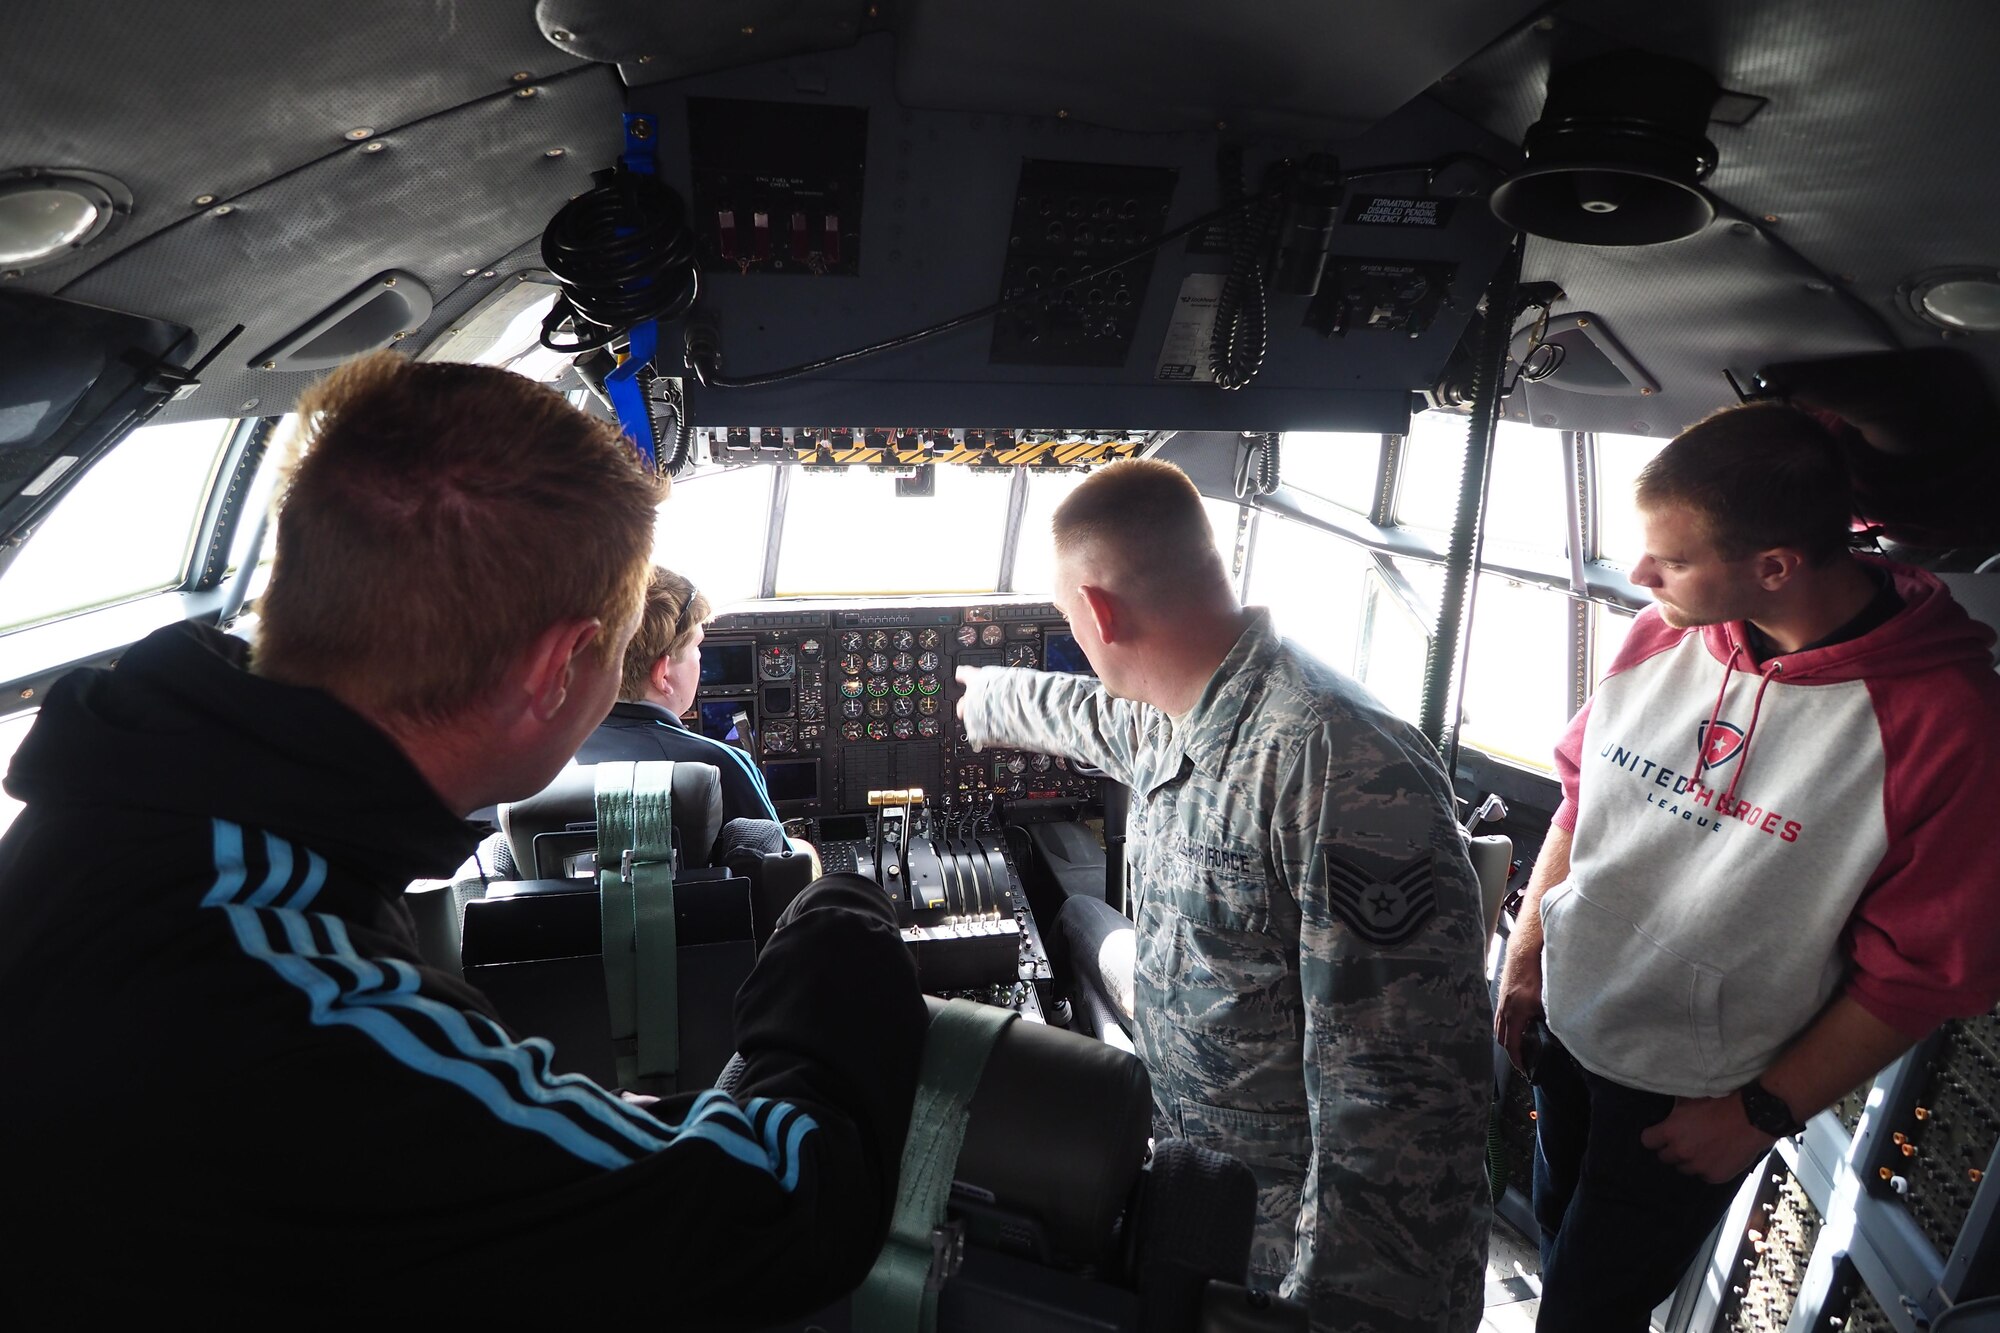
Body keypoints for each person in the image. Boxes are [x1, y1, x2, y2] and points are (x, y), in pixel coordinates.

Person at [0, 353, 927, 1322]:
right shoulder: (289, 997)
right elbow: (768, 1212)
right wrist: (837, 934)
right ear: (561, 664)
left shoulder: (148, 812)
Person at [1493, 401, 2000, 1332]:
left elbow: (1926, 969)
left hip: (1694, 1093)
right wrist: (1527, 960)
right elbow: (1581, 795)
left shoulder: (1945, 720)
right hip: (1568, 1028)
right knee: (1559, 1229)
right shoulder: (1666, 632)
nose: (1642, 578)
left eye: (1672, 561)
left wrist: (1759, 1113)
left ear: (1775, 566)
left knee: (1585, 1312)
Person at [956, 458, 1492, 1333]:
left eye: (1066, 617)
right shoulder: (1191, 705)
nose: (1075, 635)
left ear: (1099, 613)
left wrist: (1326, 1314)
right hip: (1208, 1198)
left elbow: (1401, 1106)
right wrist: (989, 699)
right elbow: (1096, 716)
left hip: (1306, 1265)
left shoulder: (1338, 763)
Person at [576, 565, 779, 824]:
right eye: (697, 646)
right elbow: (780, 862)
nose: (701, 656)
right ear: (663, 676)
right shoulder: (719, 766)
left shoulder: (543, 763)